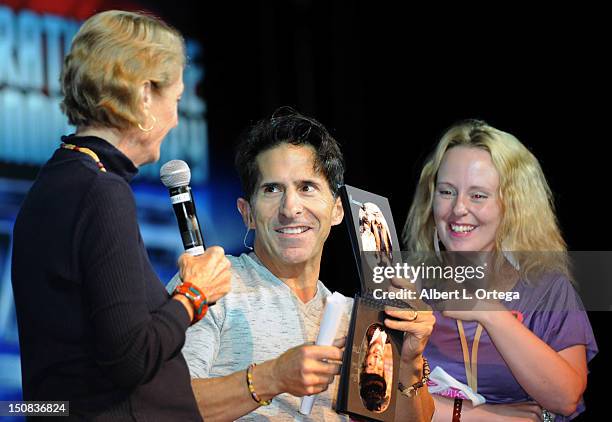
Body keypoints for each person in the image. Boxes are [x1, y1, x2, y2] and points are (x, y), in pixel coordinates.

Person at [11, 10, 231, 420]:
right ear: (145, 95)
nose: (175, 119)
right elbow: (131, 357)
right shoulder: (100, 192)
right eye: (176, 99)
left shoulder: (57, 181)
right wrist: (194, 295)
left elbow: (94, 340)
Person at [173, 108, 436, 421]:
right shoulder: (210, 285)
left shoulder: (358, 320)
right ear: (247, 213)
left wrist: (409, 360)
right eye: (272, 189)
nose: (290, 208)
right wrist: (272, 378)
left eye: (306, 187)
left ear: (338, 209)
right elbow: (158, 407)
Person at [401, 119, 597, 421]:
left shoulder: (547, 289)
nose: (458, 209)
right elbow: (378, 396)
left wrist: (489, 311)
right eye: (447, 192)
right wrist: (489, 416)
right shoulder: (404, 284)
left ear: (513, 206)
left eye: (478, 195)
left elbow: (566, 398)